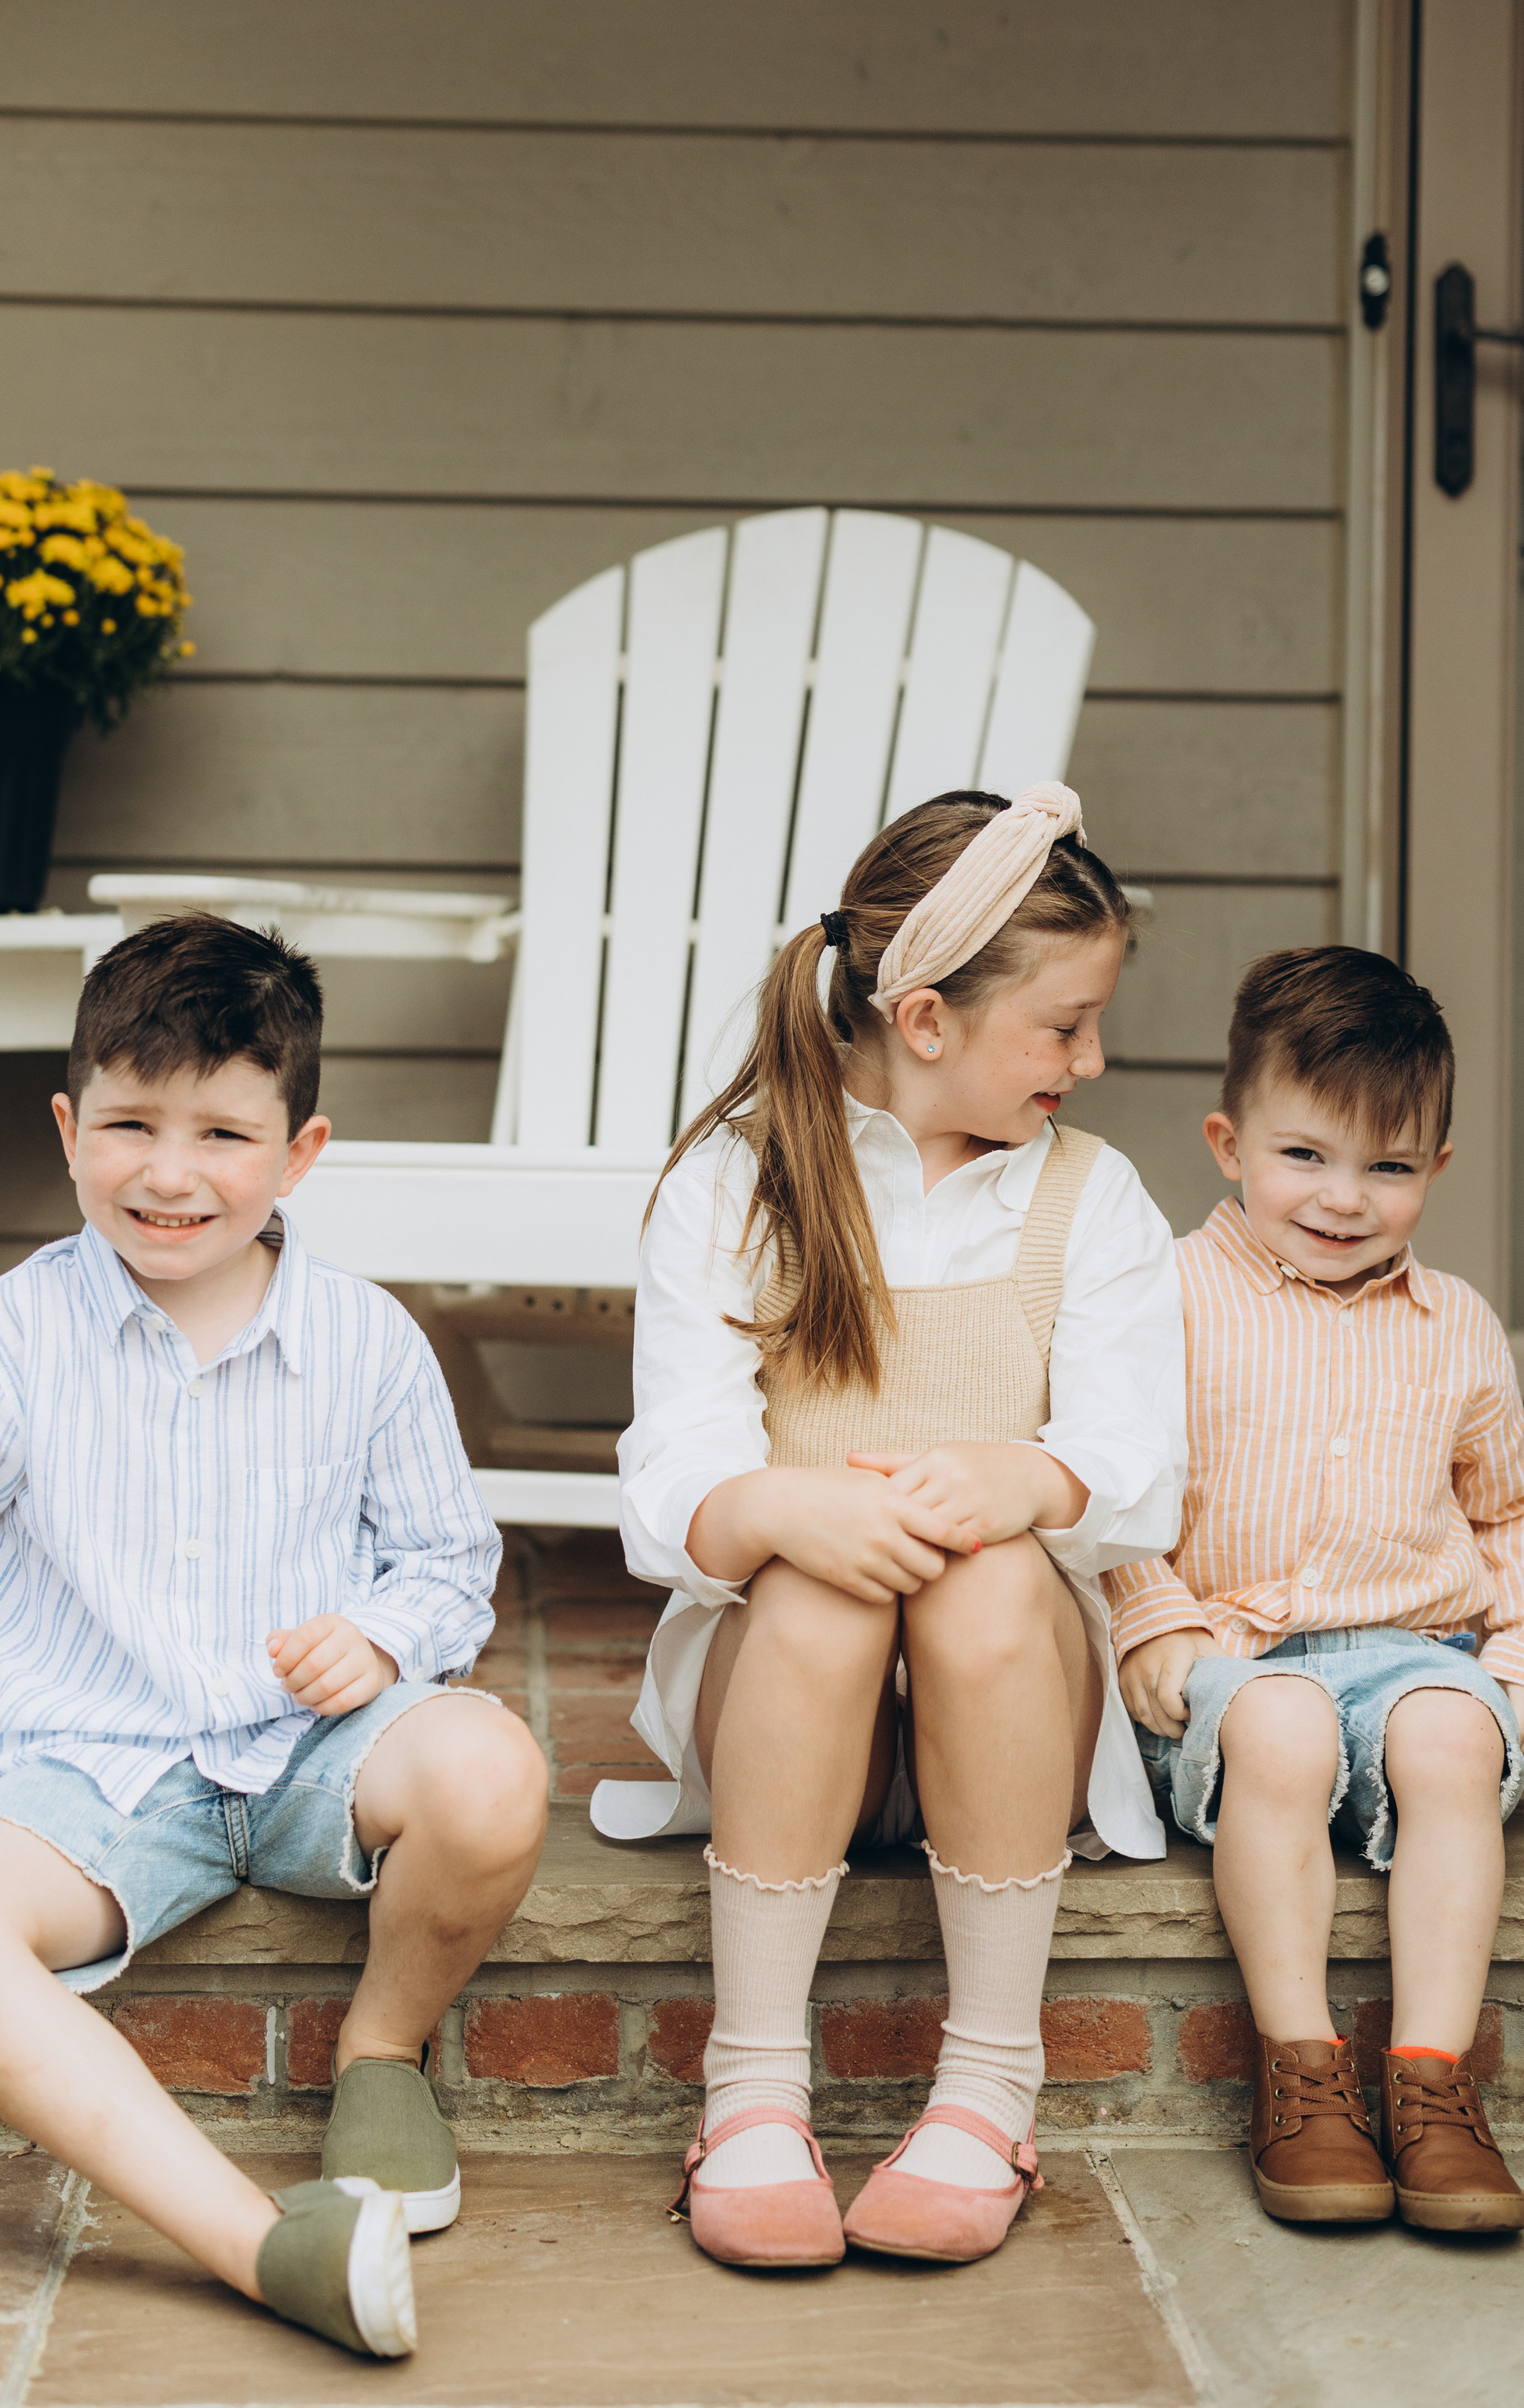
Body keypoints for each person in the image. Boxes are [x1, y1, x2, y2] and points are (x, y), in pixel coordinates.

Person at [0, 914, 548, 2360]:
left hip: (313, 1753)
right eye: (129, 1123)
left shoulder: (368, 1342)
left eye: (226, 1133)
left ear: (301, 1152)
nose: (171, 1174)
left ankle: (379, 2052)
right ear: (67, 1128)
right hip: (82, 1780)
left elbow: (448, 1562)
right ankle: (260, 2246)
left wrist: (379, 1631)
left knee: (489, 1765)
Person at [594, 784, 1186, 2271]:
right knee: (815, 1587)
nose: (1092, 1060)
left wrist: (1026, 1483)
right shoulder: (740, 1182)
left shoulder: (1089, 1199)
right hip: (805, 1740)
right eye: (1062, 1026)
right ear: (923, 1019)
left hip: (1007, 1723)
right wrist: (782, 1504)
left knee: (984, 1583)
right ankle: (754, 2094)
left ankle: (988, 2088)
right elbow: (674, 1476)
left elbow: (1134, 1461)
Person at [1106, 946, 1524, 2235]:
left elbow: (1517, 1517)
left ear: (1435, 1167)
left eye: (1388, 1166)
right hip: (1229, 1653)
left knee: (1447, 1730)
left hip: (1406, 1641)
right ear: (1227, 1140)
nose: (1343, 1198)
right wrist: (1152, 1621)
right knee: (1284, 1725)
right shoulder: (1163, 1297)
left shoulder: (1458, 1324)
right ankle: (1304, 2073)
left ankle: (1431, 2082)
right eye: (1305, 1155)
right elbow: (1106, 1484)